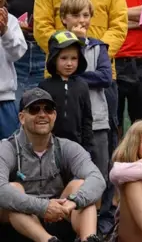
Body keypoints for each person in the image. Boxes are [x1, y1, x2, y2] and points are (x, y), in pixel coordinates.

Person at [0, 88, 104, 242]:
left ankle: (89, 239)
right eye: (34, 109)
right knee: (14, 190)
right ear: (22, 117)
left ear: (54, 115)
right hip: (19, 224)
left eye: (48, 109)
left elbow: (97, 179)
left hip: (60, 217)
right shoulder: (6, 148)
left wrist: (74, 201)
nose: (42, 114)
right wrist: (43, 207)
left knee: (81, 188)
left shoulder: (67, 147)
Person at [59, 0, 112, 182]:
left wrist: (74, 76)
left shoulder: (98, 47)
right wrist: (77, 44)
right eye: (75, 15)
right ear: (64, 18)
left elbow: (105, 77)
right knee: (68, 174)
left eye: (85, 15)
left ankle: (100, 204)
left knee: (99, 172)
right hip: (68, 123)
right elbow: (59, 75)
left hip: (97, 122)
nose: (81, 20)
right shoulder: (57, 46)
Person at [38, 30, 93, 153]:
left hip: (77, 147)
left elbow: (87, 119)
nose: (69, 63)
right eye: (63, 58)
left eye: (74, 58)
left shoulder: (82, 86)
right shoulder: (45, 86)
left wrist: (87, 147)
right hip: (50, 147)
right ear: (54, 59)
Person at [0, 0, 26, 138]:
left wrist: (5, 33)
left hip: (5, 100)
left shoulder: (10, 21)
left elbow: (18, 53)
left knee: (8, 148)